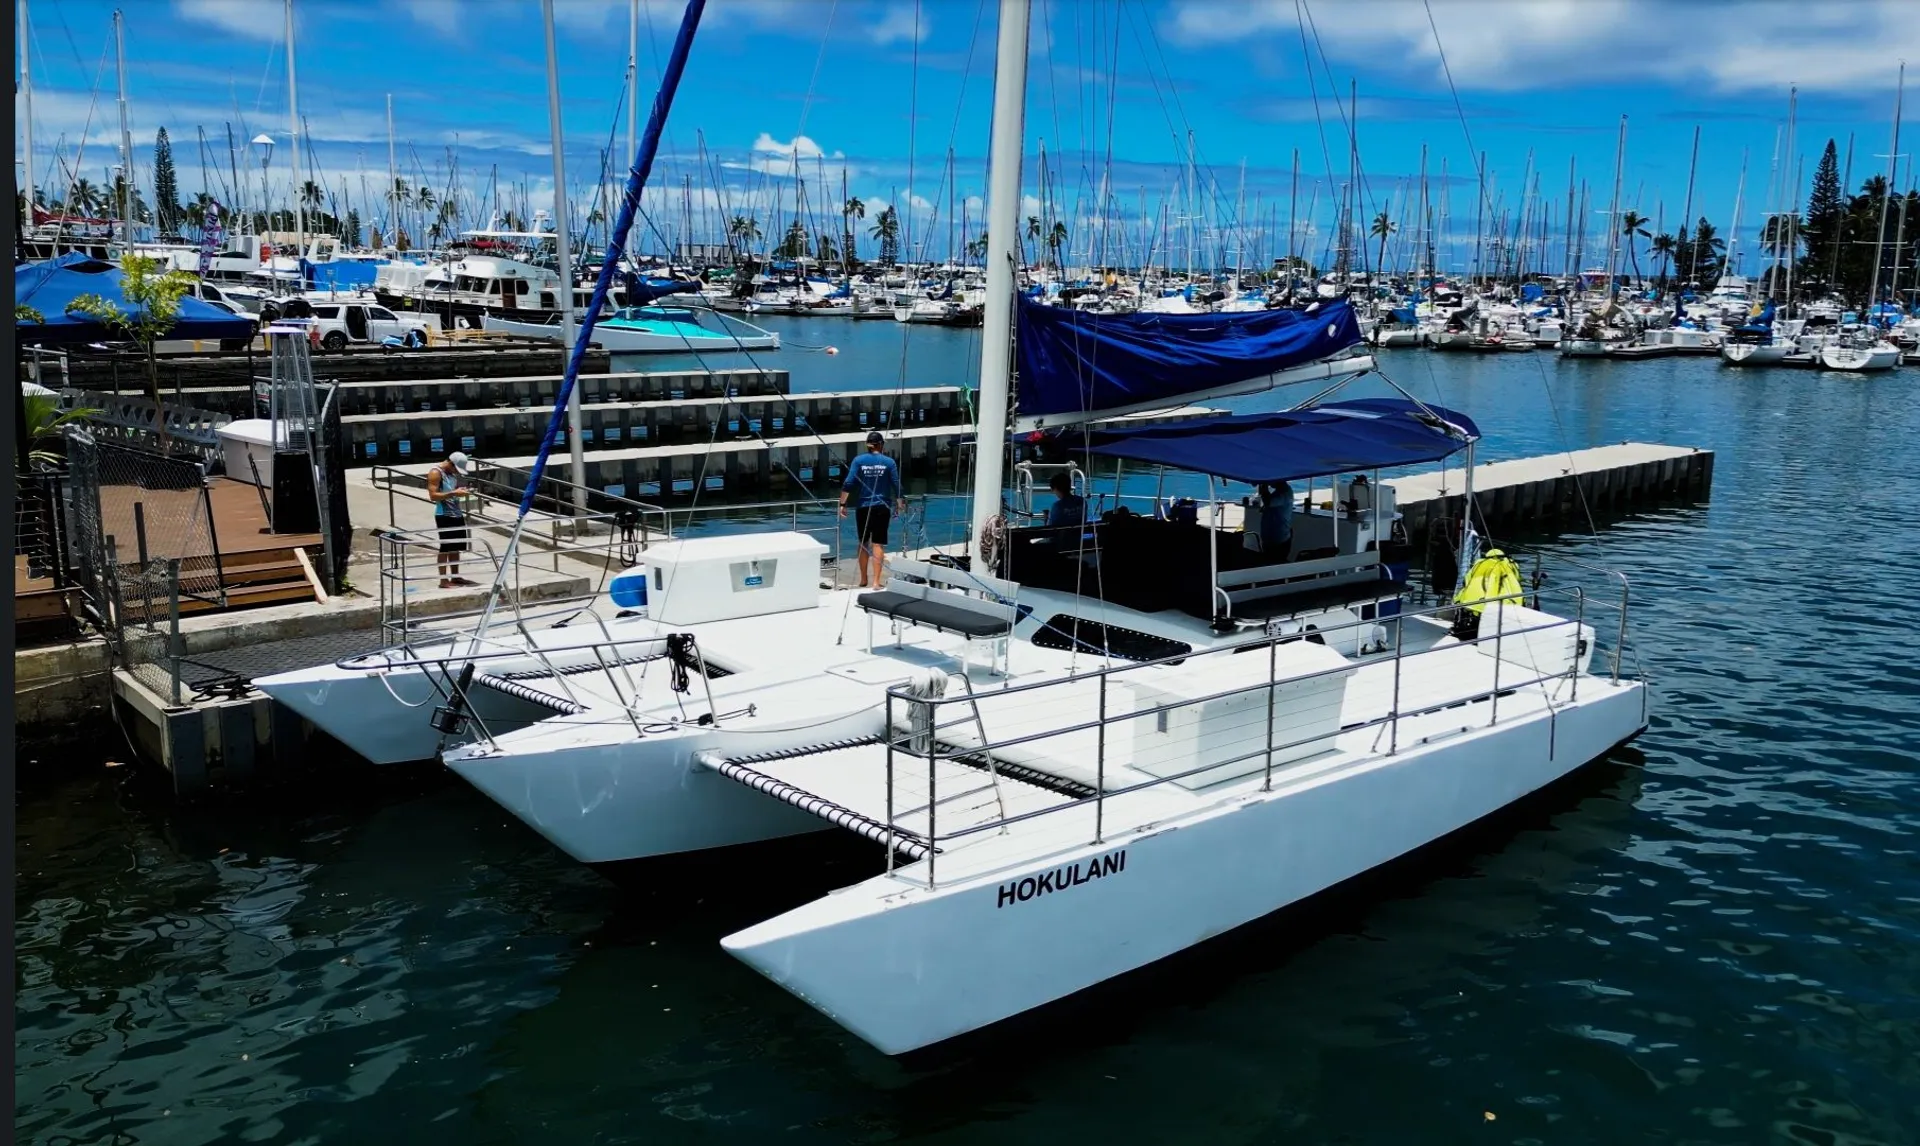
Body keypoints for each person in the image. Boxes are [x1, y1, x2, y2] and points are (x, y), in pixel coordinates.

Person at [839, 431, 905, 588]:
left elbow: (848, 483)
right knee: (878, 544)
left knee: (863, 543)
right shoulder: (889, 462)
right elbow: (896, 484)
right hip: (882, 507)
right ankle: (876, 581)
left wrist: (842, 504)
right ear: (881, 445)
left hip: (863, 507)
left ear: (868, 445)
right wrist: (900, 504)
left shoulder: (858, 460)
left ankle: (863, 579)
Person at [428, 450, 475, 589]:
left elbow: (448, 491)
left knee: (456, 546)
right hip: (444, 514)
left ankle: (455, 576)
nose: (456, 472)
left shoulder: (451, 473)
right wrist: (454, 493)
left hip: (456, 513)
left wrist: (460, 491)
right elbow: (433, 495)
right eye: (456, 469)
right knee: (446, 547)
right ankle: (443, 580)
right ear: (451, 463)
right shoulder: (435, 472)